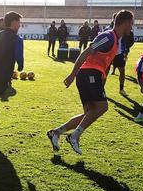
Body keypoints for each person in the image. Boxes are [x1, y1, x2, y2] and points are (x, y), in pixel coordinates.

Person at [46, 10, 134, 155]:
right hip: (88, 74)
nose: (132, 26)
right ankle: (74, 136)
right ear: (125, 23)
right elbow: (85, 52)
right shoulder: (108, 37)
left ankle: (56, 132)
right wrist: (72, 74)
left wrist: (103, 78)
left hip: (91, 75)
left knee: (89, 113)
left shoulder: (116, 40)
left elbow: (105, 62)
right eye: (131, 23)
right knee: (102, 107)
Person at [110, 28, 135, 96]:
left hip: (120, 54)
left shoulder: (127, 31)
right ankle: (100, 90)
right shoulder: (109, 31)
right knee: (105, 72)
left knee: (122, 70)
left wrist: (125, 49)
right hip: (109, 53)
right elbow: (94, 46)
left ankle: (121, 89)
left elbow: (131, 41)